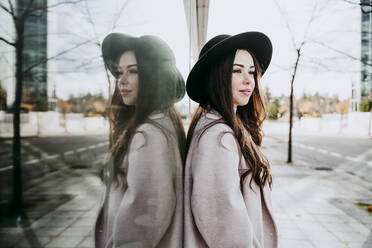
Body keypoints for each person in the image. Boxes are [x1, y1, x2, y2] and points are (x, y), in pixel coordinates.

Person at [184, 32, 278, 248]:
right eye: (237, 70)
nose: (248, 80)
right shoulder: (219, 138)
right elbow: (225, 227)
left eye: (252, 72)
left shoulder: (223, 127)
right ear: (217, 75)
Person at [95, 33, 185, 248]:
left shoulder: (149, 135)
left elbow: (144, 220)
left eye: (133, 71)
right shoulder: (162, 123)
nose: (122, 80)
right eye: (119, 72)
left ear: (153, 76)